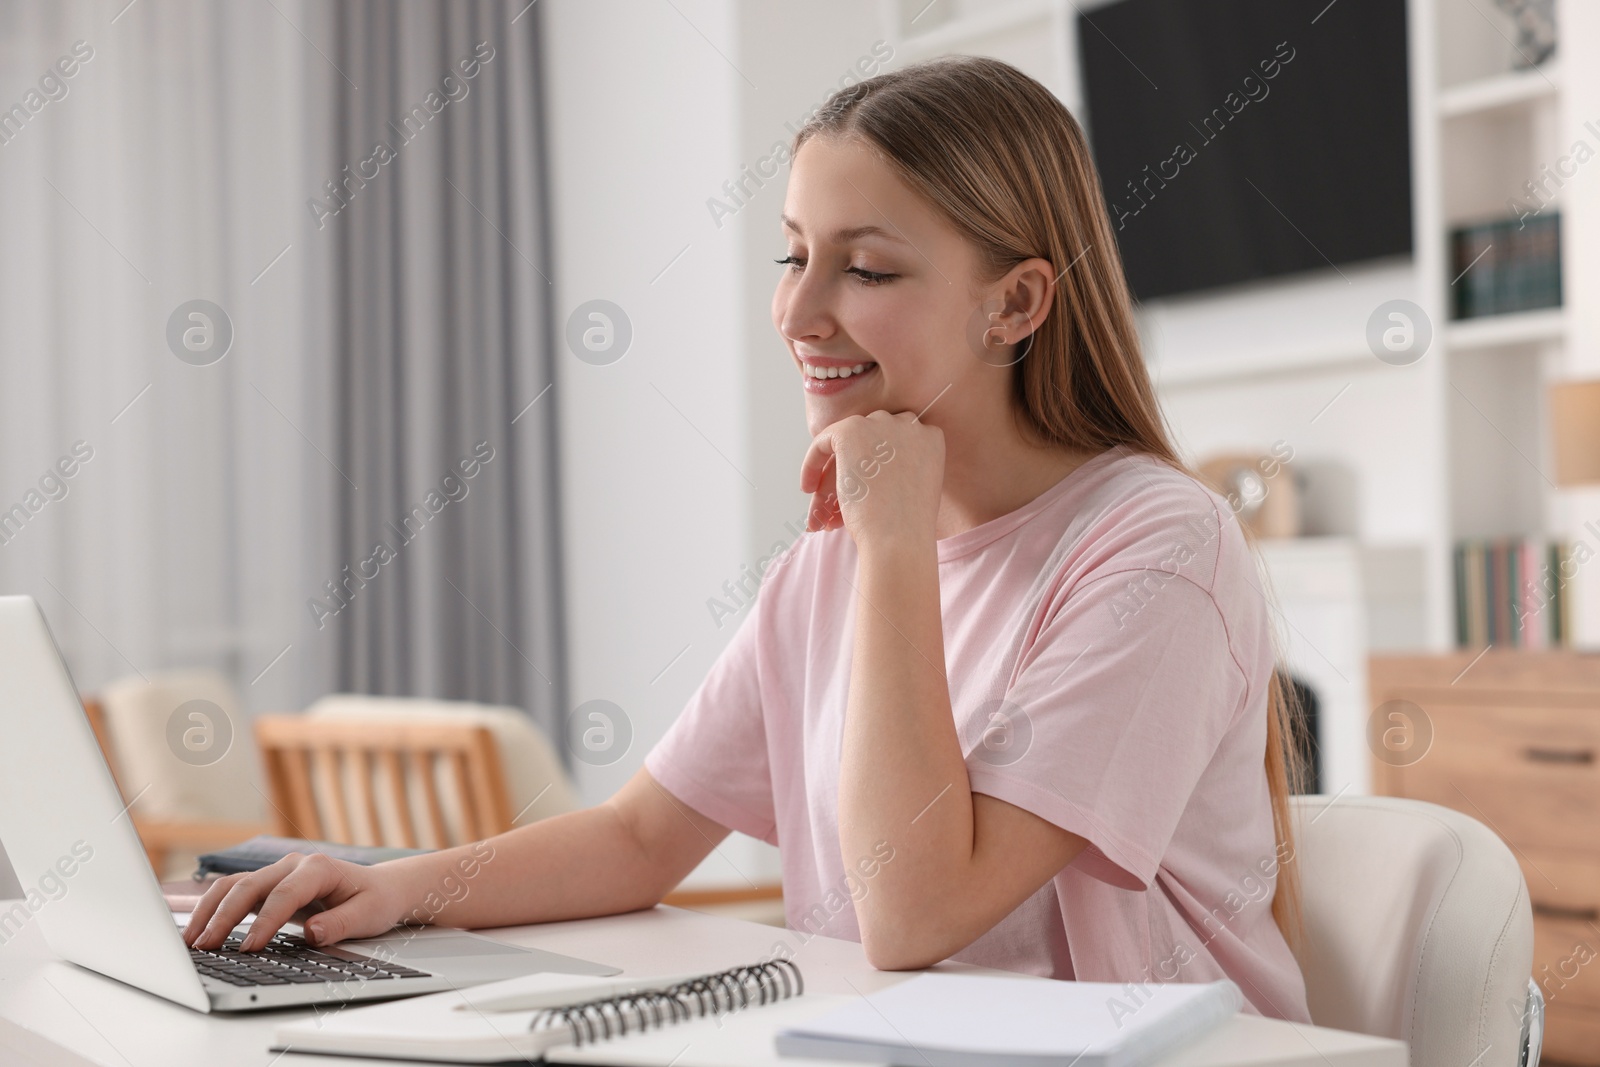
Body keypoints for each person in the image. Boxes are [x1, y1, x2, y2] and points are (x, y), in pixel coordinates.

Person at [185, 54, 1312, 1023]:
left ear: (1014, 305)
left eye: (865, 268)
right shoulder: (835, 559)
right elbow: (638, 837)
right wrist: (397, 888)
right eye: (791, 254)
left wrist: (893, 548)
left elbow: (913, 913)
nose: (797, 309)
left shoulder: (1157, 545)